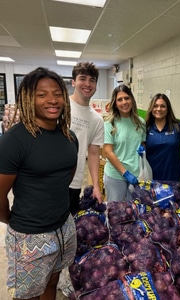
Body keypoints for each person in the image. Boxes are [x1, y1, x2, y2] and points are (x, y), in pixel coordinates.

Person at [0, 67, 78, 300]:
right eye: (41, 94)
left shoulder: (69, 137)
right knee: (27, 294)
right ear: (27, 99)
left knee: (52, 281)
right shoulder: (15, 140)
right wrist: (13, 223)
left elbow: (65, 179)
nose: (52, 100)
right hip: (30, 234)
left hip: (63, 227)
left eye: (57, 93)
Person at [69, 62, 104, 215]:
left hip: (75, 181)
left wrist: (96, 185)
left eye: (92, 80)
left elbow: (94, 154)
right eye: (82, 78)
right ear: (73, 82)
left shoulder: (96, 119)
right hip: (50, 182)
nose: (87, 84)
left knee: (68, 227)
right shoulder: (60, 107)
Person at [103, 84, 146, 202]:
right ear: (115, 103)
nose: (124, 102)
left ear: (132, 99)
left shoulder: (140, 122)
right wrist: (125, 173)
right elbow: (108, 151)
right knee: (116, 214)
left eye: (127, 98)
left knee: (133, 212)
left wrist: (143, 148)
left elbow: (142, 143)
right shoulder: (109, 123)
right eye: (119, 99)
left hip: (136, 174)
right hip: (115, 175)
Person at [145, 93, 180, 182]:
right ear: (151, 109)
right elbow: (141, 144)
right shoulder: (146, 127)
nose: (159, 109)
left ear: (168, 109)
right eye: (155, 106)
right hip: (151, 175)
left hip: (173, 174)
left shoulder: (177, 126)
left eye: (162, 106)